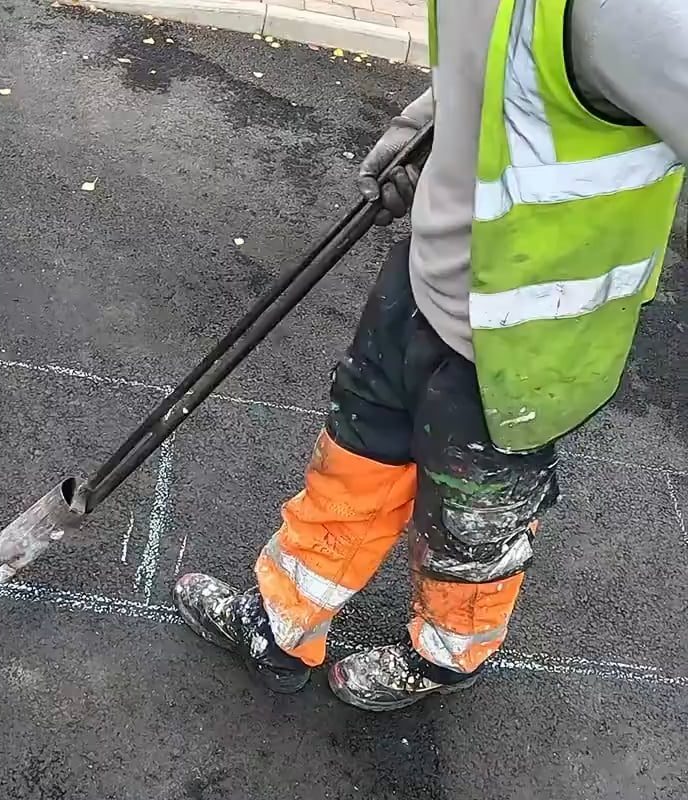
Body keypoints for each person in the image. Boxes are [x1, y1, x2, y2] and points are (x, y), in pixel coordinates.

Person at [173, 0, 687, 710]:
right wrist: (430, 124)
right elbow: (508, 63)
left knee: (471, 526)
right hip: (425, 276)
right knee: (352, 463)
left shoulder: (637, 17)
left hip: (525, 346)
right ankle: (282, 623)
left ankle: (448, 656)